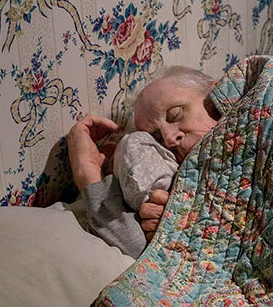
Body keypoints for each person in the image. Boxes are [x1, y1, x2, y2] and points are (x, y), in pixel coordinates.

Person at [64, 67, 220, 257]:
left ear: (217, 97)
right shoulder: (176, 190)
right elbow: (151, 257)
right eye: (157, 138)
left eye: (176, 114)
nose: (169, 139)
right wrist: (88, 171)